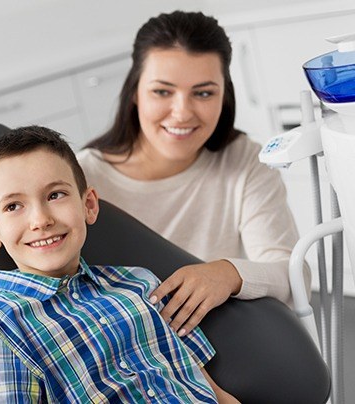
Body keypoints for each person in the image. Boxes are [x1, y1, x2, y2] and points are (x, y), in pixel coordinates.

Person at [0, 125, 239, 403]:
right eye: (13, 206)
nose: (40, 220)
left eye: (55, 195)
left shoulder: (139, 284)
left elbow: (211, 390)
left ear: (89, 205)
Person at [77, 10, 311, 337]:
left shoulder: (243, 159)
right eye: (162, 91)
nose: (182, 112)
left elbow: (292, 274)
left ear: (224, 95)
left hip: (225, 340)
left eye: (203, 93)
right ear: (135, 92)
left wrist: (227, 274)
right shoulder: (82, 178)